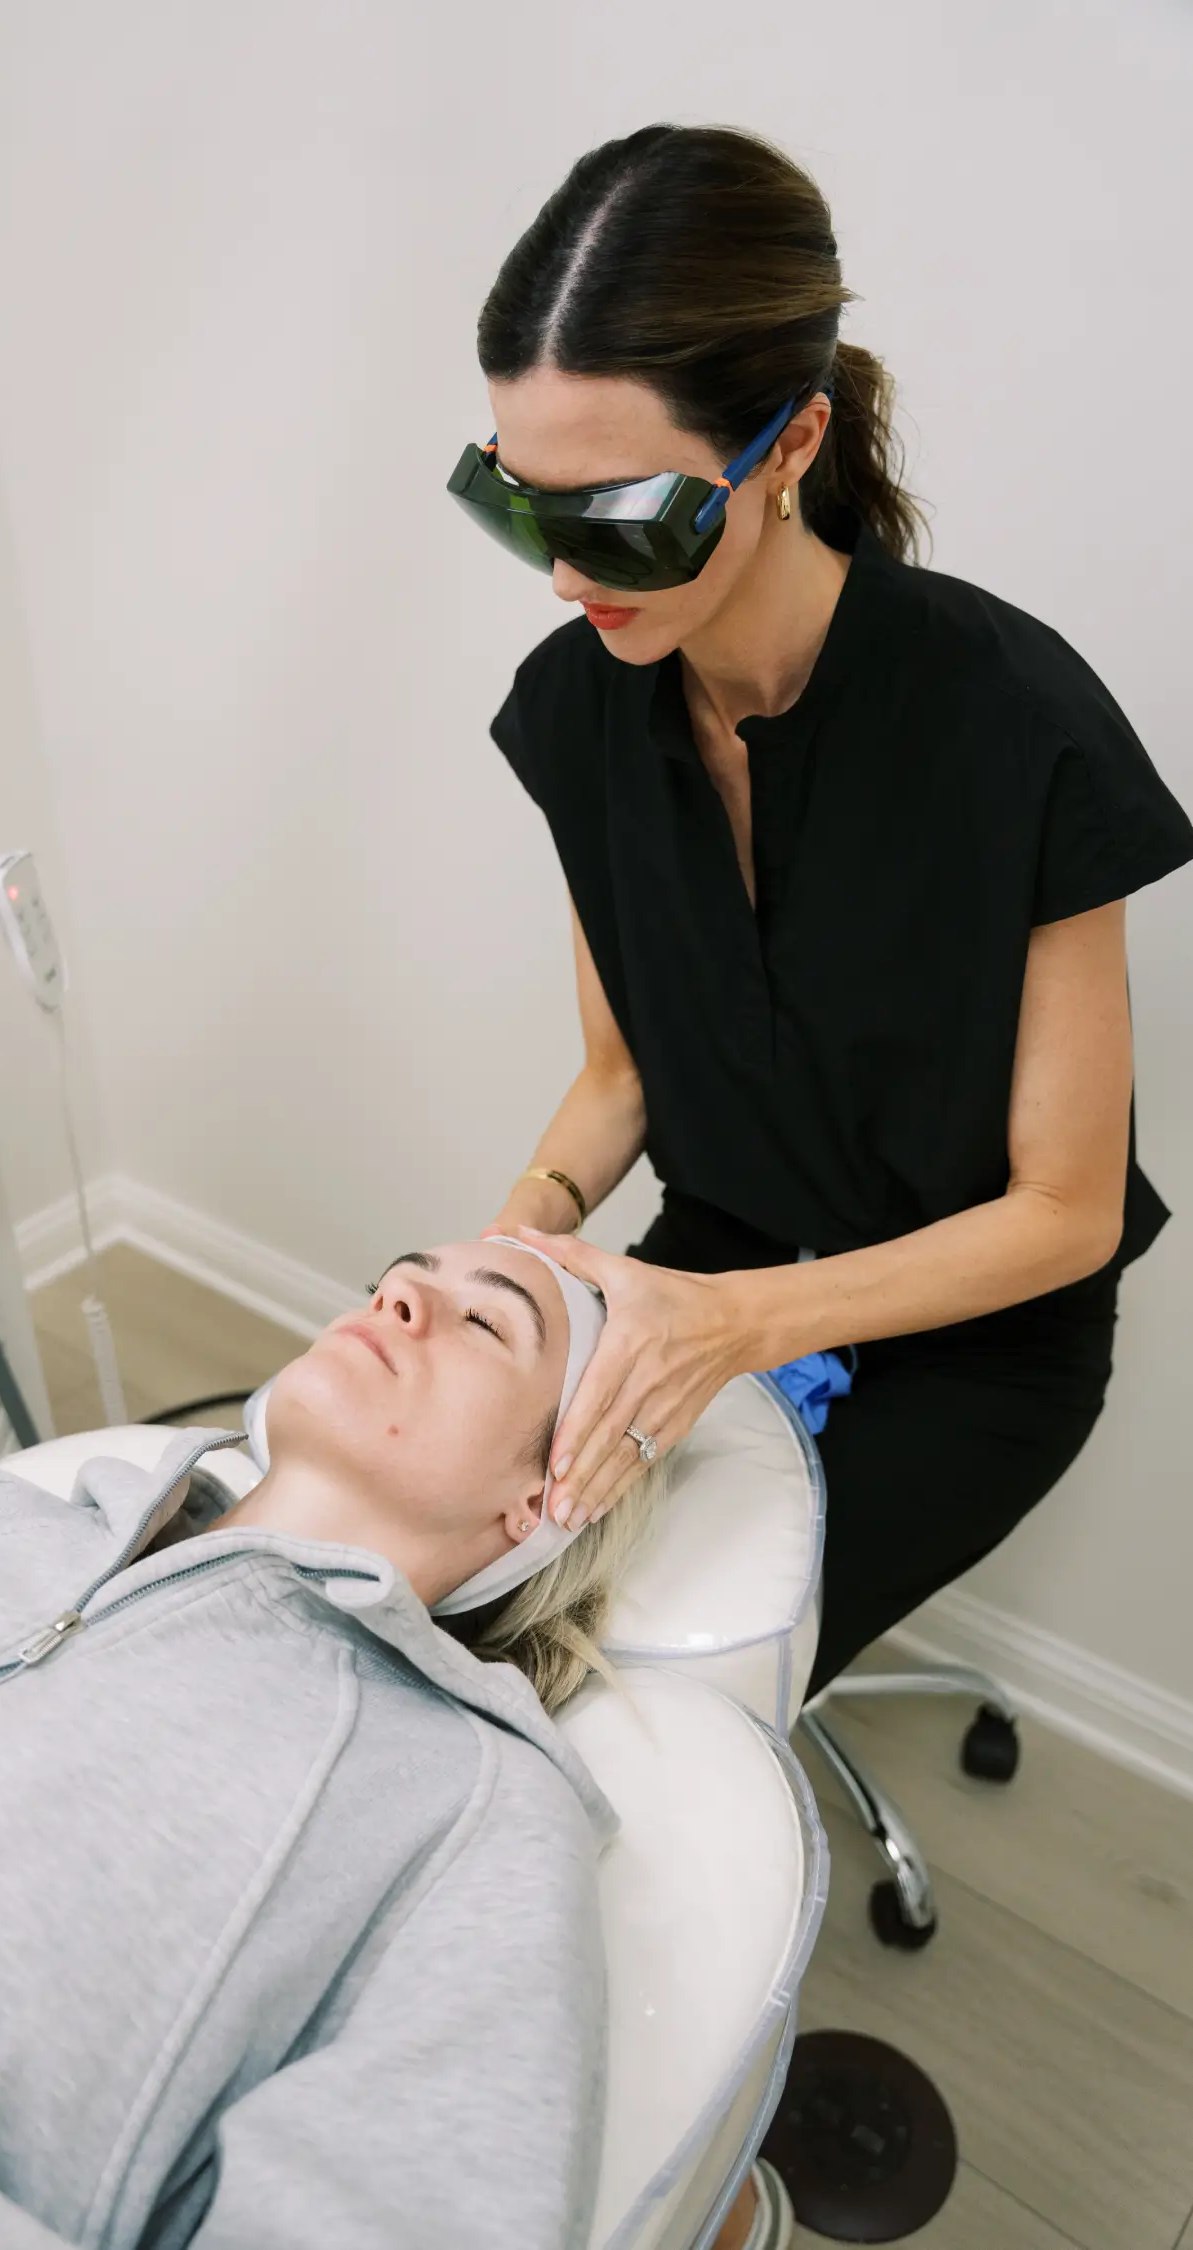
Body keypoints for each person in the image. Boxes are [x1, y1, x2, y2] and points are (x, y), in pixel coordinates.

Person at [455, 123, 1192, 1696]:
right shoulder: (581, 704)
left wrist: (737, 1325)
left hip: (972, 1341)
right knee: (468, 1613)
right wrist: (519, 1239)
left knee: (638, 1692)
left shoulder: (1020, 731)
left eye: (620, 518)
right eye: (519, 505)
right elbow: (623, 1074)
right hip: (708, 1258)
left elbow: (1063, 1214)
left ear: (787, 448)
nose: (567, 577)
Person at [0, 1237, 661, 2250]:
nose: (405, 1290)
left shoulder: (467, 1809)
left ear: (545, 1497)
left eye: (488, 1319)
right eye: (399, 1274)